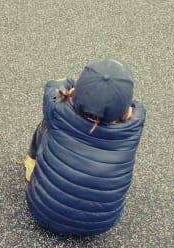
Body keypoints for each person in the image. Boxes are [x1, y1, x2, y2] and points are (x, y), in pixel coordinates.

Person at [20, 59, 146, 236]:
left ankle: (31, 162)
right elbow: (137, 107)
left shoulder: (58, 112)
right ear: (126, 113)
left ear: (74, 93)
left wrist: (71, 87)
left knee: (47, 125)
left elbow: (53, 85)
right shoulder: (133, 128)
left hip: (41, 210)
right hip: (99, 225)